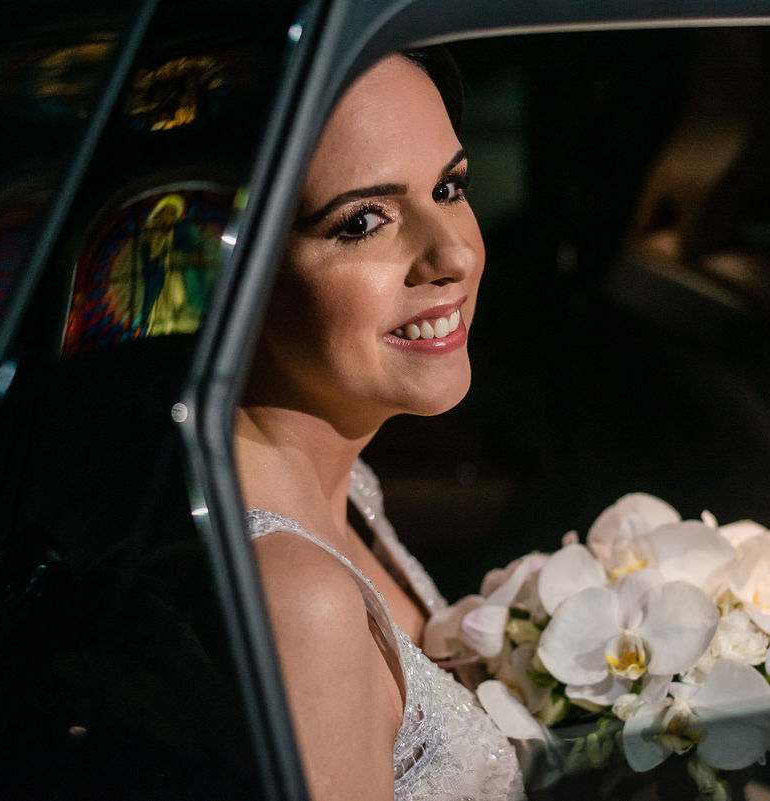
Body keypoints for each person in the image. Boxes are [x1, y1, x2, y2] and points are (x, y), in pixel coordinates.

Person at [233, 51, 526, 801]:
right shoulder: (299, 601)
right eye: (363, 221)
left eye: (449, 188)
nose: (453, 252)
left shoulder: (347, 487)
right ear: (237, 273)